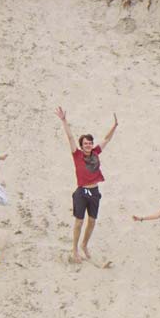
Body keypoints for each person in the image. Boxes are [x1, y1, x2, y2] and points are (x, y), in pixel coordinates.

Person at [56, 107, 117, 262]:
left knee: (92, 221)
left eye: (90, 143)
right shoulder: (77, 155)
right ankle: (75, 249)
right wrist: (64, 120)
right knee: (79, 222)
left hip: (94, 191)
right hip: (82, 192)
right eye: (85, 143)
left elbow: (107, 139)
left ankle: (84, 245)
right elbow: (70, 138)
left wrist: (114, 126)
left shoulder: (96, 152)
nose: (88, 145)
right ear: (81, 146)